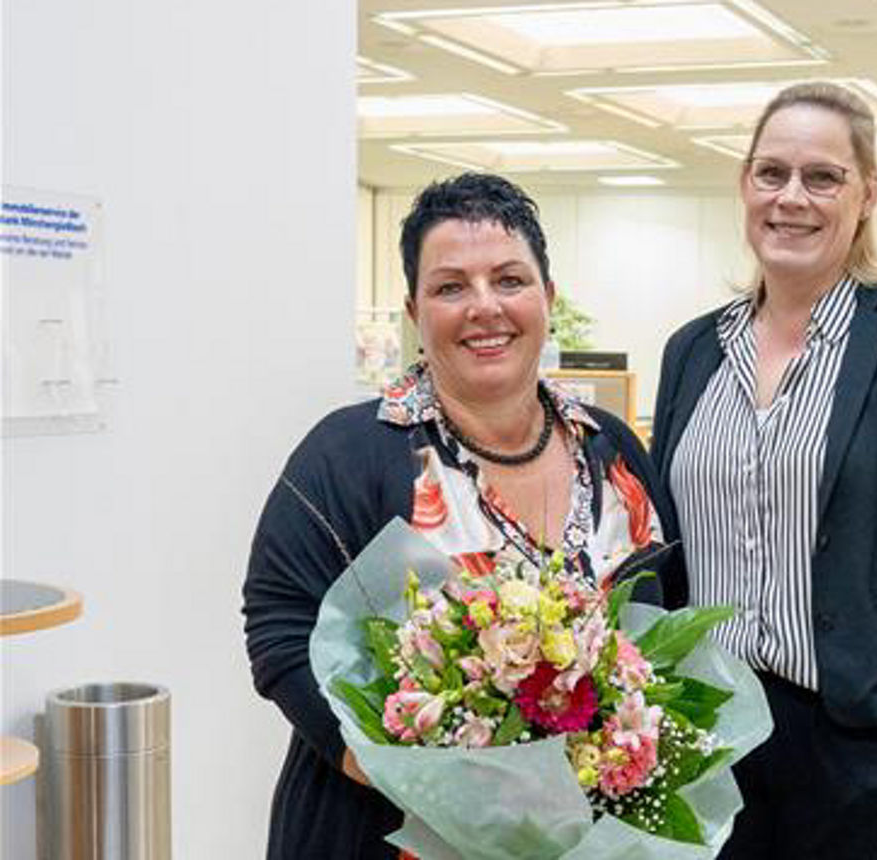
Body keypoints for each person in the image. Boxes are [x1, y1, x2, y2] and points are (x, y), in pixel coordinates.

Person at [243, 173, 677, 859]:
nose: (485, 307)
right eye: (451, 287)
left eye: (509, 279)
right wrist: (393, 775)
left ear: (548, 298)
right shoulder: (349, 454)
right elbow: (279, 627)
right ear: (415, 311)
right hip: (383, 832)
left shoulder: (612, 451)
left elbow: (662, 625)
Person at [650, 82, 877, 859]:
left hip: (864, 741)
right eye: (771, 173)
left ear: (867, 195)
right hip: (707, 740)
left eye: (823, 177)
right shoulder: (693, 351)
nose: (793, 198)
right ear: (744, 185)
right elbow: (667, 549)